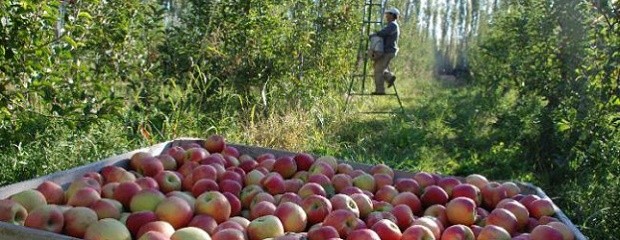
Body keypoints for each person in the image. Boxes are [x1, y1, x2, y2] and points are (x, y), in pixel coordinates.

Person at [370, 7, 400, 95]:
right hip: (389, 51)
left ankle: (380, 91)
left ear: (392, 15)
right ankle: (389, 77)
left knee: (378, 71)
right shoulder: (392, 25)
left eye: (388, 14)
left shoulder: (392, 25)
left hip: (388, 51)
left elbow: (383, 33)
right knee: (377, 66)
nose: (386, 16)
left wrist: (374, 35)